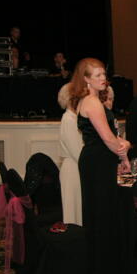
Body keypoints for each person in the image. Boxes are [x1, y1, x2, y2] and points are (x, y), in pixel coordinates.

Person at [71, 58, 131, 274]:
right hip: (97, 161)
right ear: (85, 79)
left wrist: (119, 150)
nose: (102, 78)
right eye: (96, 75)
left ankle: (104, 269)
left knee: (103, 212)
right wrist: (124, 156)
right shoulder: (92, 103)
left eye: (103, 74)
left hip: (100, 160)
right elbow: (107, 138)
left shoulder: (94, 101)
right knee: (102, 215)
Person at [57, 83, 83, 226]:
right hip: (72, 169)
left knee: (78, 211)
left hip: (75, 168)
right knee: (72, 213)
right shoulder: (68, 119)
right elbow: (78, 151)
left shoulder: (74, 118)